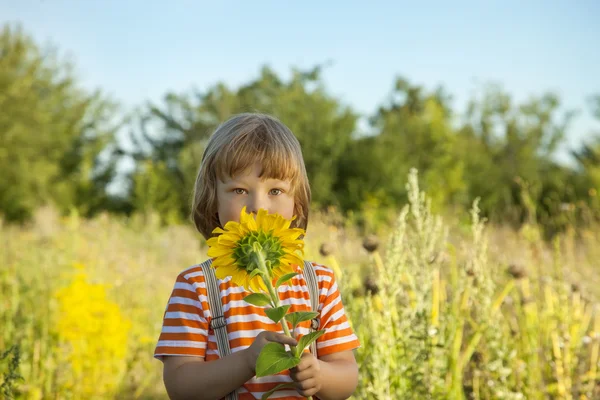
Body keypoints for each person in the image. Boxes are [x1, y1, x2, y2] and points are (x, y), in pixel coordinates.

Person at [154, 113, 360, 400]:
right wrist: (248, 361)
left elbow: (347, 377)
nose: (258, 206)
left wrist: (320, 376)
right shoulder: (197, 286)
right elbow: (180, 386)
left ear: (297, 204)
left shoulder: (319, 283)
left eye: (275, 190)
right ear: (213, 199)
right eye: (239, 190)